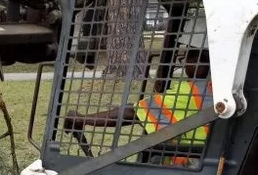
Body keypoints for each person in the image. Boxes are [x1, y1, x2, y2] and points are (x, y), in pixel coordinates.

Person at [63, 47, 213, 165]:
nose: (185, 65)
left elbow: (132, 113)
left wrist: (81, 119)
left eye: (187, 60)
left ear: (196, 63)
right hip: (210, 158)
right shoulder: (216, 89)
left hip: (192, 163)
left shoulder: (191, 91)